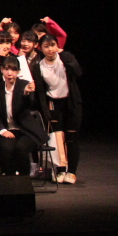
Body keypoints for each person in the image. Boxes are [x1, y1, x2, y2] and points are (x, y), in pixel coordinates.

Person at [30, 34, 83, 183]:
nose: (50, 49)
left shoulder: (65, 59)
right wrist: (45, 111)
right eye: (46, 46)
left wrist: (65, 56)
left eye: (52, 45)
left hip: (71, 103)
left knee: (72, 138)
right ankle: (60, 170)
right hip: (53, 104)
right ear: (40, 48)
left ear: (57, 45)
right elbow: (41, 92)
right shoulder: (38, 66)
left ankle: (71, 172)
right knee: (57, 139)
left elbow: (78, 72)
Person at [0, 58, 46, 177]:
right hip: (8, 130)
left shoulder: (24, 85)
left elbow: (30, 105)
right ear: (2, 70)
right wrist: (2, 130)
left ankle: (24, 179)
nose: (10, 73)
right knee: (6, 148)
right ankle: (10, 179)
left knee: (21, 148)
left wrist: (26, 93)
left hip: (27, 131)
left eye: (13, 70)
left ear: (18, 72)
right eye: (7, 69)